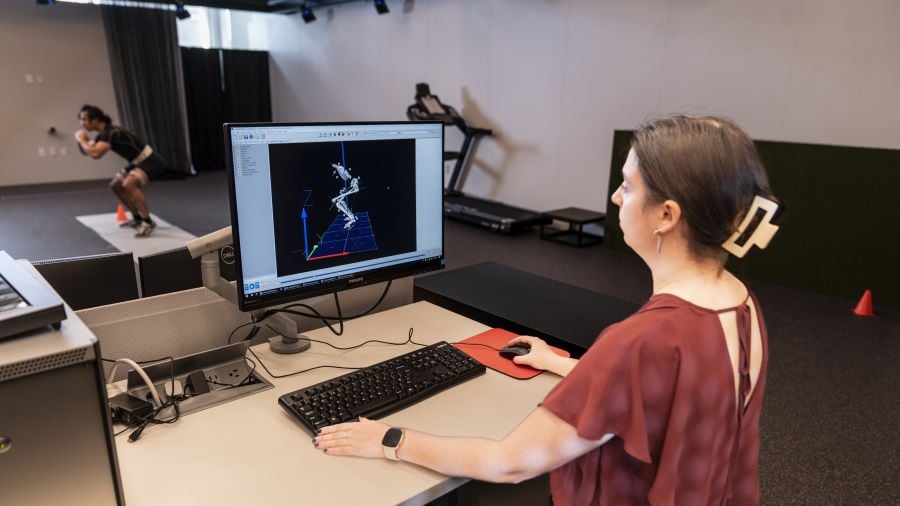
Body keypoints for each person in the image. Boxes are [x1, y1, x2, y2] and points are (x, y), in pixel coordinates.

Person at [312, 115, 782, 505]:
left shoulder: (639, 341)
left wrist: (390, 439)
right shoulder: (737, 302)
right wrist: (561, 363)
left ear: (667, 215)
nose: (617, 197)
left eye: (627, 186)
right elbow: (664, 389)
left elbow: (510, 463)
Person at [74, 105, 169, 237]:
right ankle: (137, 218)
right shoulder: (103, 135)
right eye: (81, 119)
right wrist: (84, 142)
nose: (82, 123)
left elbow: (95, 153)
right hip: (136, 161)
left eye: (84, 119)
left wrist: (82, 139)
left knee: (129, 184)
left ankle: (148, 222)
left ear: (95, 120)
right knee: (116, 185)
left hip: (151, 160)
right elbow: (90, 152)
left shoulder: (111, 133)